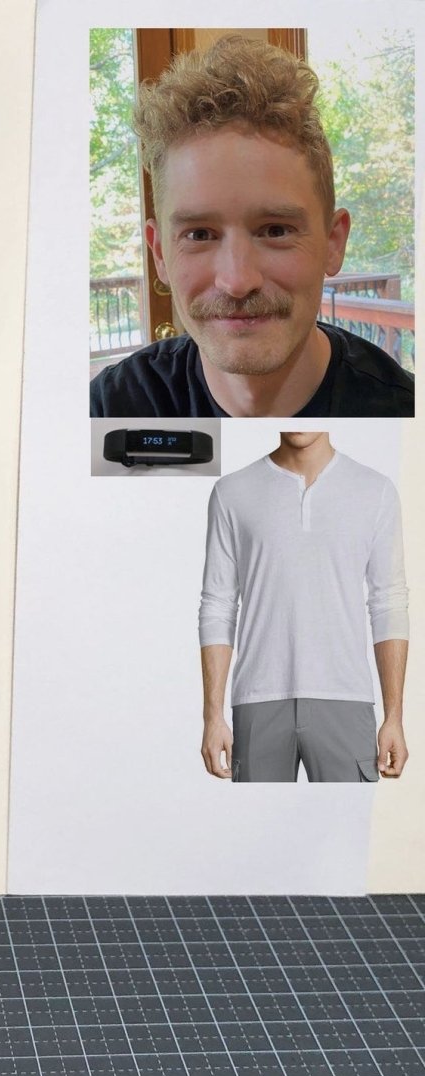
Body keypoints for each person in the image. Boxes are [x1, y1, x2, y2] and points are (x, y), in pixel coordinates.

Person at [91, 36, 414, 419]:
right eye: (199, 235)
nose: (237, 281)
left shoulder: (406, 418)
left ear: (333, 242)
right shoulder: (108, 412)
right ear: (160, 253)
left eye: (276, 230)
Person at [199, 432, 409, 783]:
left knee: (345, 817)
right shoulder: (232, 492)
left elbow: (388, 602)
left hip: (346, 696)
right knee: (259, 817)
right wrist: (212, 716)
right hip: (257, 699)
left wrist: (394, 717)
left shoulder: (375, 490)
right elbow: (218, 605)